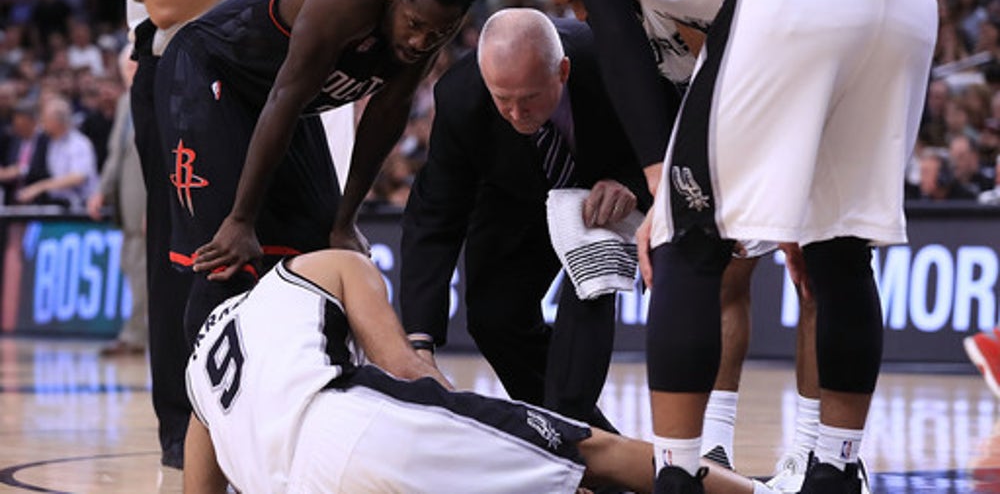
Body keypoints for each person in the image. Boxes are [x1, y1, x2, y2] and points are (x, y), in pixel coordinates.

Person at [543, 0, 937, 492]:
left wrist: (662, 185)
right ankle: (836, 469)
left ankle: (676, 476)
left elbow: (611, 28)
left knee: (685, 244)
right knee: (840, 248)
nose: (578, 13)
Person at [519, 0, 821, 477]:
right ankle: (715, 444)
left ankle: (811, 452)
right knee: (727, 275)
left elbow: (726, 59)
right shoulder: (635, 6)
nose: (581, 14)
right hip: (719, 101)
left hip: (772, 83)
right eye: (568, 6)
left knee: (815, 269)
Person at [186, 247, 781, 494]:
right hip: (352, 429)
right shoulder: (316, 265)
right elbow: (403, 367)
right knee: (590, 451)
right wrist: (472, 421)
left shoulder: (197, 380)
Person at [125, 0, 343, 468]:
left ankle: (289, 411)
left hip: (263, 75)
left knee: (306, 233)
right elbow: (165, 4)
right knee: (189, 254)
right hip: (181, 76)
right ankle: (185, 426)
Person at [400, 8, 651, 432]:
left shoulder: (613, 58)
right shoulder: (460, 98)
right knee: (493, 317)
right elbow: (434, 213)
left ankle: (569, 433)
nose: (517, 113)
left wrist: (632, 182)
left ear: (562, 72)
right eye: (504, 99)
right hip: (513, 195)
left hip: (606, 194)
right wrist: (419, 339)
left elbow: (672, 128)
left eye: (530, 97)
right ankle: (582, 439)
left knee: (589, 287)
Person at [88, 45, 148, 357]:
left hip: (144, 200)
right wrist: (101, 191)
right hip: (127, 200)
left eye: (134, 66)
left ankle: (136, 336)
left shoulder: (153, 98)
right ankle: (136, 333)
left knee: (140, 268)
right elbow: (116, 154)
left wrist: (156, 205)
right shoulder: (126, 101)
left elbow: (159, 157)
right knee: (131, 264)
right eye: (126, 67)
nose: (130, 72)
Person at [16, 95, 98, 208]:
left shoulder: (79, 143)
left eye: (45, 118)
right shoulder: (51, 143)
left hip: (82, 207)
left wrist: (40, 186)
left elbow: (78, 177)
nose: (41, 122)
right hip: (58, 205)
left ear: (57, 121)